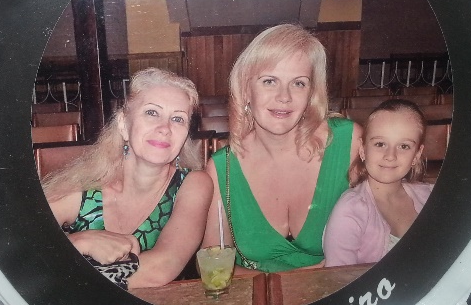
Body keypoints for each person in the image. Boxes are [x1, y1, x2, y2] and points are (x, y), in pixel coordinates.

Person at [202, 24, 361, 272]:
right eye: (269, 81)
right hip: (257, 295)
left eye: (299, 83)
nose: (284, 96)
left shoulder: (348, 143)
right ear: (246, 90)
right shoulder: (222, 168)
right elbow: (213, 267)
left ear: (311, 93)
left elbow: (381, 237)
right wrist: (284, 284)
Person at [42, 68, 213, 289]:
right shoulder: (86, 189)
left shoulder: (193, 184)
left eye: (178, 119)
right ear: (124, 124)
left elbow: (161, 268)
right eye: (152, 112)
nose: (165, 128)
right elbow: (20, 241)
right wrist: (78, 242)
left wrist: (71, 274)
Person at [323, 99, 434, 267]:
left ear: (417, 155)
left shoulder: (431, 197)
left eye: (404, 146)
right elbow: (338, 278)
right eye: (380, 144)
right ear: (362, 150)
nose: (390, 156)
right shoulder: (350, 211)